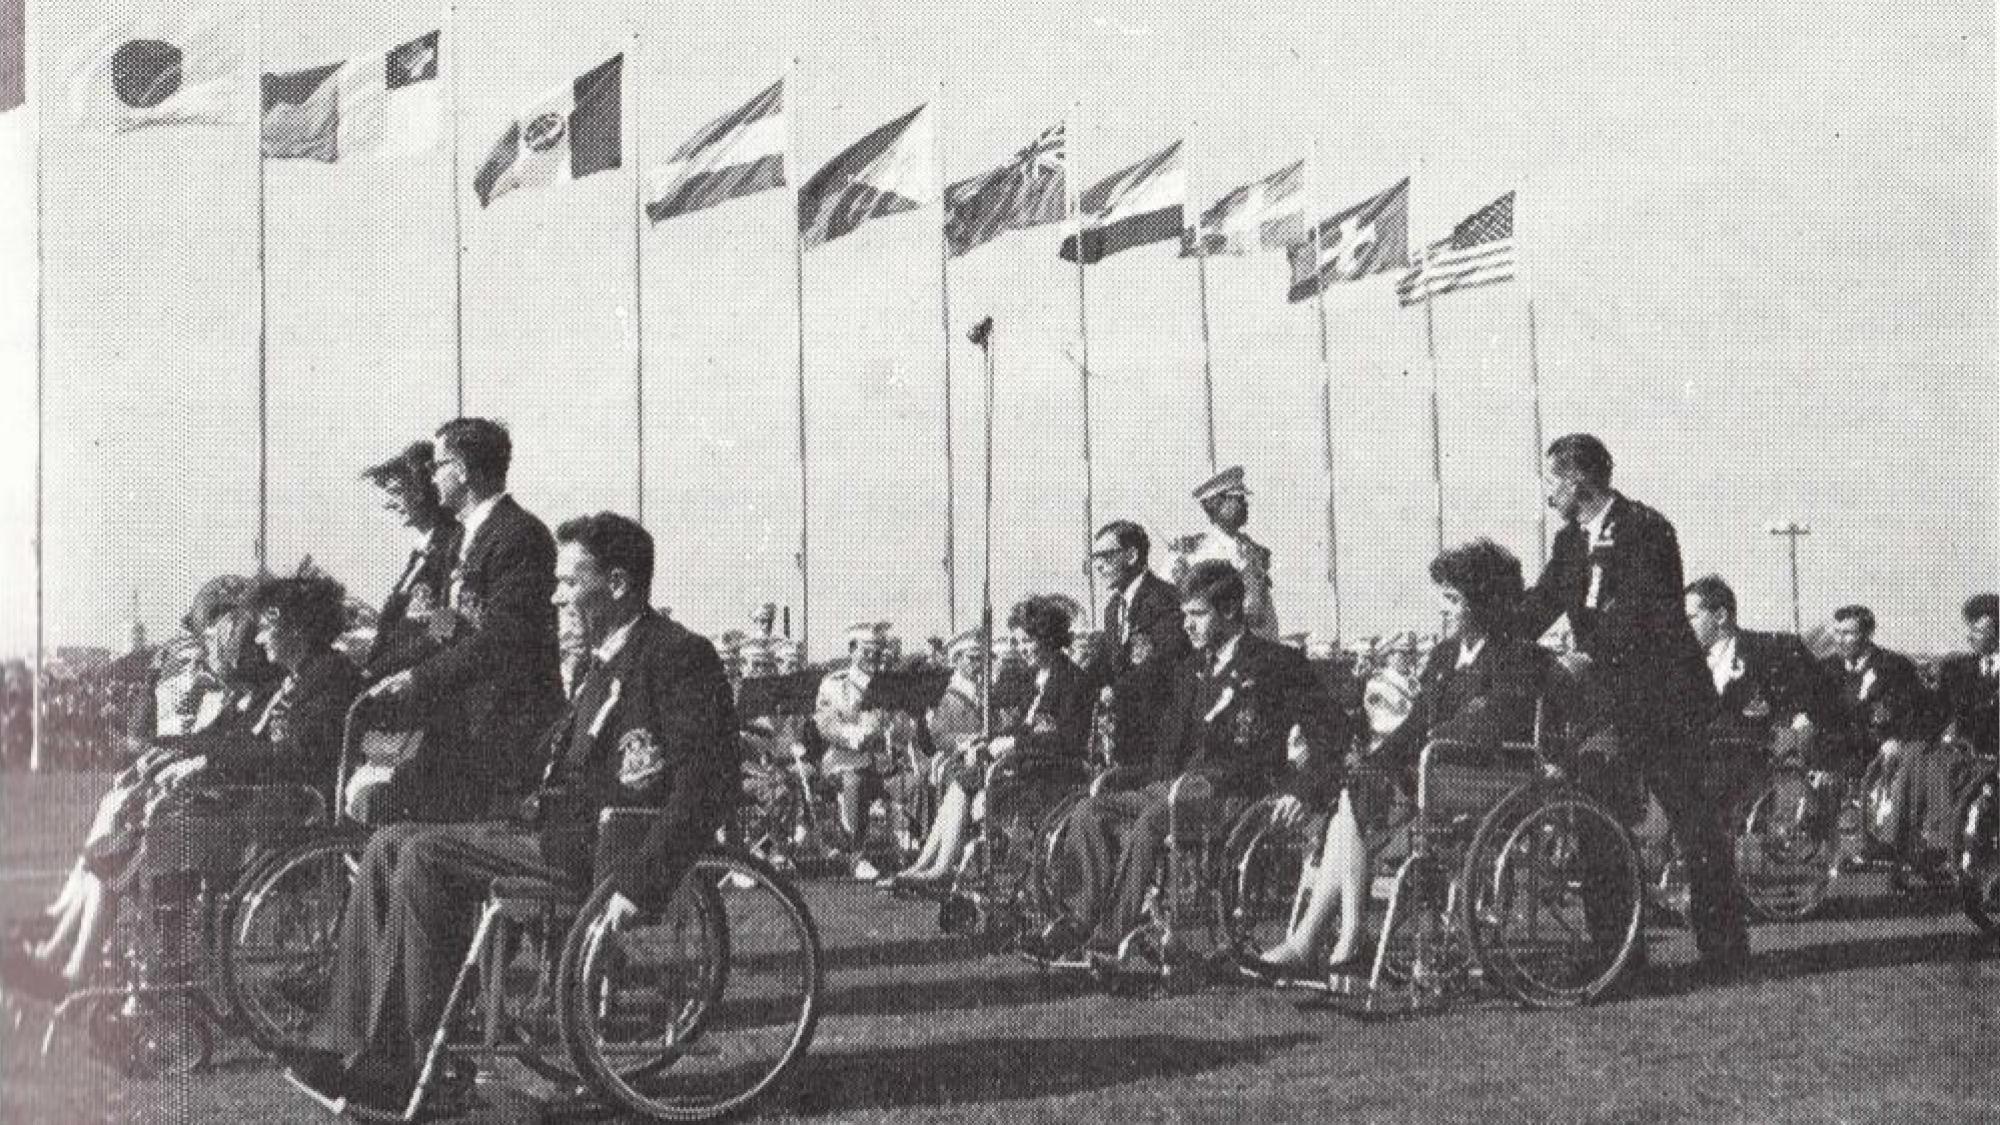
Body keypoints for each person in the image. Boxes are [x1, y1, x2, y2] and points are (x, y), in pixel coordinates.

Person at [282, 512, 738, 1116]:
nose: (556, 595)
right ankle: (347, 1044)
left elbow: (706, 786)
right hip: (551, 829)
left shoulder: (678, 656)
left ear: (620, 584)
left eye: (571, 581)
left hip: (603, 852)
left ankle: (411, 1064)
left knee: (422, 854)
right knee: (390, 840)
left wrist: (640, 882)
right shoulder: (604, 663)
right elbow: (550, 760)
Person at [3, 576, 360, 1001]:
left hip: (283, 814)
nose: (260, 638)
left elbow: (291, 757)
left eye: (267, 627)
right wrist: (177, 751)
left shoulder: (330, 678)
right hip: (264, 805)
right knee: (130, 832)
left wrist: (205, 762)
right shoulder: (302, 677)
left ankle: (72, 970)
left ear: (294, 629)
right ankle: (61, 954)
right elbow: (242, 741)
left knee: (136, 841)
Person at [1260, 540, 1554, 973]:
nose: (1444, 609)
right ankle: (1326, 939)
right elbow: (1414, 726)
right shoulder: (1442, 657)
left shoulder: (1516, 657)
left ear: (1483, 604)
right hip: (1432, 773)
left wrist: (1415, 749)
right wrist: (1380, 759)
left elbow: (1487, 725)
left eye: (1453, 600)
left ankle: (1336, 938)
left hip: (1482, 779)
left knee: (1353, 801)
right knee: (1353, 793)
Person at [1516, 433, 1748, 978]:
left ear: (1578, 482)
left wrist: (1587, 658)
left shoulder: (1647, 530)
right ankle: (1618, 954)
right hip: (1612, 708)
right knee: (1598, 818)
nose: (1548, 495)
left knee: (1695, 827)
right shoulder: (1570, 544)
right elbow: (1543, 603)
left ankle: (1724, 949)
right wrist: (1499, 633)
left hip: (1666, 704)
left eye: (1552, 483)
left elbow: (1642, 613)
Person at [1037, 560, 1342, 962]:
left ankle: (1109, 938)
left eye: (1197, 614)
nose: (1187, 625)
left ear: (1229, 611)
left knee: (1153, 820)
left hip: (1240, 794)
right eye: (1184, 615)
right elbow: (1169, 751)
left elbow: (1330, 734)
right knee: (1090, 809)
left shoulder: (1276, 665)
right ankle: (1078, 922)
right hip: (1182, 788)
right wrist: (1126, 776)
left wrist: (1300, 791)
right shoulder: (1190, 670)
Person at [363, 418, 563, 823]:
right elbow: (445, 624)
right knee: (382, 803)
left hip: (503, 729)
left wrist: (419, 678)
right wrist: (394, 668)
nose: (431, 477)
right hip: (460, 724)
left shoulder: (519, 535)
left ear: (463, 470)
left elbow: (502, 637)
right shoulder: (458, 540)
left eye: (437, 466)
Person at [892, 597, 1094, 891]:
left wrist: (1010, 743)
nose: (1022, 649)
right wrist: (988, 740)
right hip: (1033, 762)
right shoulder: (1036, 678)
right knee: (964, 778)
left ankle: (940, 866)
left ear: (1048, 639)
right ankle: (927, 863)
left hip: (1057, 771)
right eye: (1018, 642)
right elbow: (1022, 727)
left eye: (1028, 641)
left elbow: (1066, 738)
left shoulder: (1072, 681)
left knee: (966, 780)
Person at [1682, 575, 1837, 800]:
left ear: (1721, 616)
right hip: (1699, 790)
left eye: (1691, 618)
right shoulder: (1680, 668)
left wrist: (1806, 739)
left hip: (1766, 788)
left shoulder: (1775, 651)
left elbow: (1824, 705)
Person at [1818, 604, 1936, 869]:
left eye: (1848, 633)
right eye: (1837, 632)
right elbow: (1820, 709)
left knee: (1898, 762)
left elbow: (1919, 710)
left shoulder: (1894, 666)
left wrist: (1897, 737)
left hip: (1882, 745)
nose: (1840, 639)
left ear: (1868, 633)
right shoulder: (1827, 668)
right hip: (1843, 745)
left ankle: (1886, 843)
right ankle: (1826, 841)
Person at [1082, 520, 1190, 767]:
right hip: (1129, 732)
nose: (1098, 565)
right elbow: (1110, 661)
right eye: (1095, 558)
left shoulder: (1165, 599)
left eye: (1106, 556)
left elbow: (1164, 662)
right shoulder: (1113, 608)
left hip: (1164, 730)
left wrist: (1116, 692)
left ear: (1131, 555)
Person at [812, 621, 913, 880]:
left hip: (881, 763)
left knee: (913, 781)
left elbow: (903, 728)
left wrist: (897, 729)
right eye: (867, 651)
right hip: (843, 762)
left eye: (877, 652)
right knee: (854, 780)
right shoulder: (834, 685)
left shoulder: (888, 685)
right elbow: (827, 726)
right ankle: (857, 856)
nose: (873, 658)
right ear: (852, 650)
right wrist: (858, 736)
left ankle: (915, 849)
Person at [1170, 466, 1279, 639]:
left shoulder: (1250, 548)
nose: (1245, 504)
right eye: (1238, 498)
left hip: (1262, 646)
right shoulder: (1194, 551)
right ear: (1215, 503)